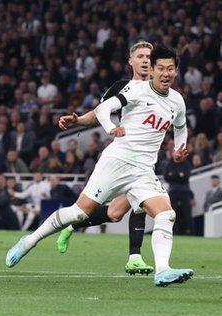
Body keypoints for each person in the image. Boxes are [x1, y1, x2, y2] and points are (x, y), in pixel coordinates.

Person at [6, 45, 193, 287]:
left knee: (166, 214)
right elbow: (103, 109)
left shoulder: (177, 101)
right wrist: (110, 128)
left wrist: (180, 149)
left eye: (170, 69)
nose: (165, 73)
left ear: (176, 71)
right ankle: (29, 241)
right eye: (161, 68)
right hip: (117, 161)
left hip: (143, 171)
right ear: (153, 70)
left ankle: (162, 270)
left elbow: (181, 127)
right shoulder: (135, 91)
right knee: (79, 212)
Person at [54, 42, 154, 275]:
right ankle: (133, 256)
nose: (146, 60)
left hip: (145, 158)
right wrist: (77, 121)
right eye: (140, 56)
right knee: (115, 210)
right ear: (131, 61)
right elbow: (100, 112)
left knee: (117, 213)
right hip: (122, 156)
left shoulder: (161, 88)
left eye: (149, 56)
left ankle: (77, 226)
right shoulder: (122, 87)